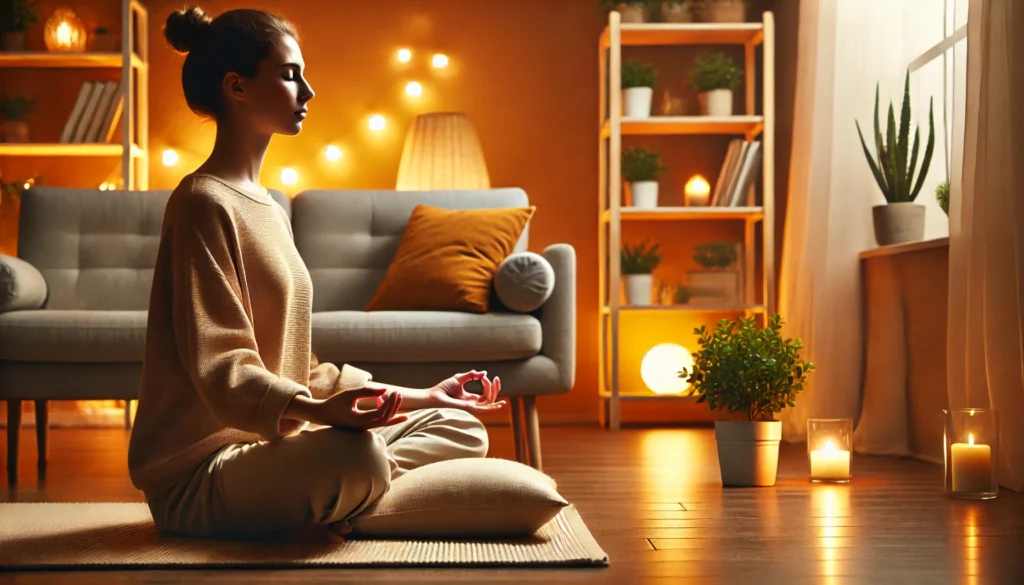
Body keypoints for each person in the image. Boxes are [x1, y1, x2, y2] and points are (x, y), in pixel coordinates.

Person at [127, 5, 505, 544]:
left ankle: (336, 504)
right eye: (289, 74)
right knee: (360, 454)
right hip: (203, 473)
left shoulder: (270, 208)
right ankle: (344, 498)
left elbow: (301, 368)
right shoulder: (201, 203)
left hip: (277, 444)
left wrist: (425, 397)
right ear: (237, 86)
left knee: (461, 427)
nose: (308, 91)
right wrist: (318, 413)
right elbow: (222, 366)